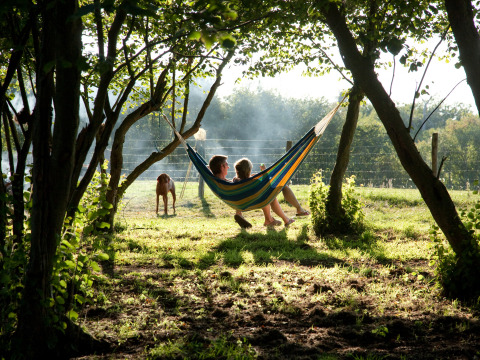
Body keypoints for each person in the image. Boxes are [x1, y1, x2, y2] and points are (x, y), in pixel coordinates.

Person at [209, 154, 294, 228]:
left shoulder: (219, 181)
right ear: (221, 166)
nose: (228, 167)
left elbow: (237, 183)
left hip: (239, 202)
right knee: (266, 194)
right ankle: (272, 220)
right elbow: (265, 184)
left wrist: (209, 169)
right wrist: (264, 174)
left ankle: (242, 214)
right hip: (249, 201)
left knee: (264, 194)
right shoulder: (229, 183)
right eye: (226, 164)